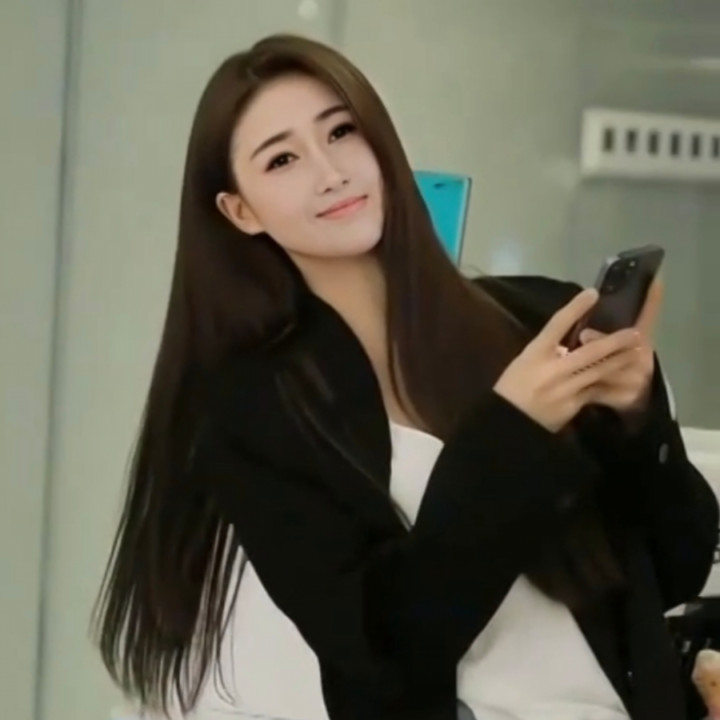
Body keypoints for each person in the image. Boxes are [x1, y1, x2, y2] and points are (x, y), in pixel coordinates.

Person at [93, 33, 719, 720]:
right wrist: (513, 431)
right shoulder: (255, 411)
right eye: (282, 159)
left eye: (341, 132)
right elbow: (382, 651)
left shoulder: (535, 319)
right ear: (240, 211)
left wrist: (637, 419)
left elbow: (677, 566)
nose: (330, 172)